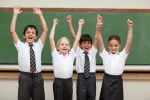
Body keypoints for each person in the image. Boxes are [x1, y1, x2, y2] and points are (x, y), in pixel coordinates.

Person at [10, 6, 48, 100]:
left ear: (36, 36)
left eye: (33, 32)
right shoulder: (20, 45)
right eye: (28, 32)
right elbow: (12, 31)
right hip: (24, 77)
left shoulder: (39, 45)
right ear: (24, 35)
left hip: (37, 77)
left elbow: (46, 30)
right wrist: (15, 15)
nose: (30, 34)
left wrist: (40, 15)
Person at [96, 17, 133, 100]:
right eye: (111, 45)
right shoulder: (105, 54)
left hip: (118, 81)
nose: (113, 47)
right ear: (108, 45)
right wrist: (98, 30)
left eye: (116, 45)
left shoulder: (122, 55)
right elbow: (99, 41)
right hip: (107, 80)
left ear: (120, 45)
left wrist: (130, 28)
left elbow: (129, 42)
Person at [67, 15, 101, 100]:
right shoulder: (78, 50)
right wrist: (70, 23)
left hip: (92, 76)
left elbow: (96, 38)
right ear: (80, 44)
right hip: (81, 77)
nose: (86, 45)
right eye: (84, 43)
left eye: (89, 43)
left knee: (91, 96)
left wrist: (98, 25)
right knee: (81, 96)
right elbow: (74, 36)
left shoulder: (93, 50)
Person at [49, 18, 84, 100]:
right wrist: (54, 24)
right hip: (58, 82)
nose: (64, 46)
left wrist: (80, 25)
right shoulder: (55, 54)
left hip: (68, 81)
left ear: (69, 47)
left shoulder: (71, 54)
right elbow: (51, 39)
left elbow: (77, 40)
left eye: (66, 45)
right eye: (62, 44)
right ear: (58, 47)